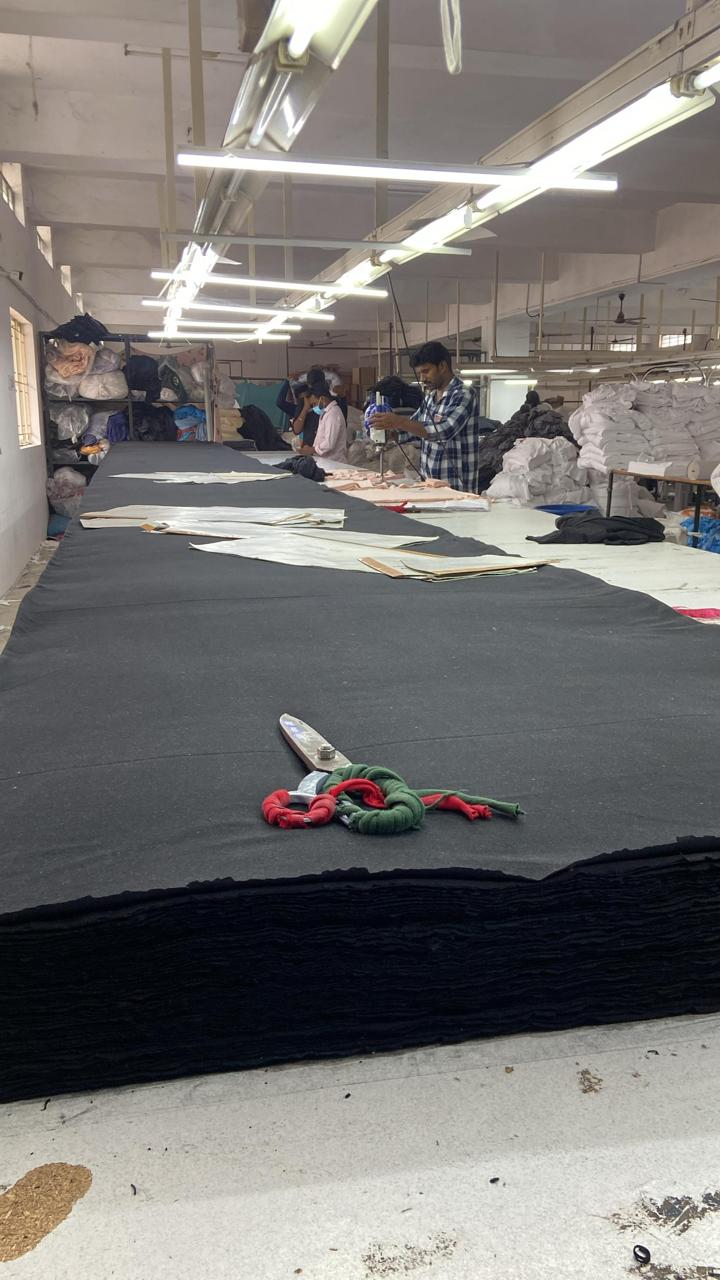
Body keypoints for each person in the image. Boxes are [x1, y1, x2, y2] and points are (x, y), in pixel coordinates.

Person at [371, 341, 489, 493]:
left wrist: (398, 421)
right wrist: (388, 432)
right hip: (430, 485)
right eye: (420, 373)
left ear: (442, 366)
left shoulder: (463, 394)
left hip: (456, 489)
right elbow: (414, 428)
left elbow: (443, 431)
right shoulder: (430, 397)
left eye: (426, 371)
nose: (422, 378)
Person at [298, 382, 348, 464]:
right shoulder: (326, 413)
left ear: (322, 399)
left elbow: (329, 443)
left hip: (334, 462)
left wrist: (311, 450)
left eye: (314, 403)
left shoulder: (333, 414)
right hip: (326, 461)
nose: (314, 407)